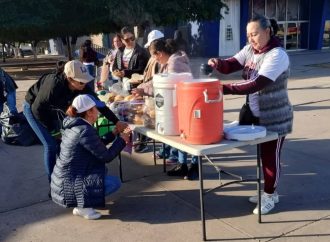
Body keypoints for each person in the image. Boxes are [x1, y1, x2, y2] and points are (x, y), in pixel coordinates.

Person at [207, 14, 293, 214]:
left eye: (254, 34)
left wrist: (224, 89)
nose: (250, 39)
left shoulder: (277, 55)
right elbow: (231, 64)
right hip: (253, 114)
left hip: (275, 116)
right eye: (248, 35)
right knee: (260, 156)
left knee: (270, 157)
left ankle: (271, 195)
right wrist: (217, 63)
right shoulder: (250, 50)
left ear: (267, 31)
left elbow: (256, 84)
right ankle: (266, 190)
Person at [23, 60, 128, 185]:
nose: (83, 83)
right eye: (80, 81)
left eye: (85, 80)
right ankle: (53, 183)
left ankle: (67, 176)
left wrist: (116, 121)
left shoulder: (82, 87)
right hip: (33, 109)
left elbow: (99, 104)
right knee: (51, 145)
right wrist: (54, 131)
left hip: (53, 110)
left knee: (63, 144)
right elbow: (37, 109)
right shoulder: (53, 85)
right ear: (69, 78)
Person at [51, 94, 130, 220]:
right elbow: (106, 156)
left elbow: (96, 144)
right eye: (95, 109)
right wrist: (122, 140)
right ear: (89, 112)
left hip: (64, 181)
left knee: (102, 172)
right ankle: (83, 207)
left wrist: (114, 133)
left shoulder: (75, 125)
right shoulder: (84, 130)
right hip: (69, 186)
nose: (98, 112)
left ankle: (83, 203)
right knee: (114, 183)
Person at [147, 38, 199, 180]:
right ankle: (182, 165)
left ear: (160, 53)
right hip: (177, 102)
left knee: (188, 135)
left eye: (153, 55)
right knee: (180, 134)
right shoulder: (170, 61)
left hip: (185, 102)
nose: (154, 59)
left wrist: (145, 89)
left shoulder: (174, 62)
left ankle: (195, 166)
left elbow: (169, 84)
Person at [131, 29, 164, 153]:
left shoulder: (159, 58)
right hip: (148, 93)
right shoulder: (153, 57)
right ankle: (147, 143)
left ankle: (147, 143)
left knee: (157, 123)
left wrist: (144, 89)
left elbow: (157, 80)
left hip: (155, 96)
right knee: (148, 120)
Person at [112, 26, 149, 92]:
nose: (130, 41)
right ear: (122, 40)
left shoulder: (141, 52)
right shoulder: (120, 51)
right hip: (123, 85)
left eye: (132, 38)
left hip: (137, 88)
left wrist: (125, 73)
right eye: (127, 40)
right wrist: (116, 71)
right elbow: (114, 67)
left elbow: (142, 70)